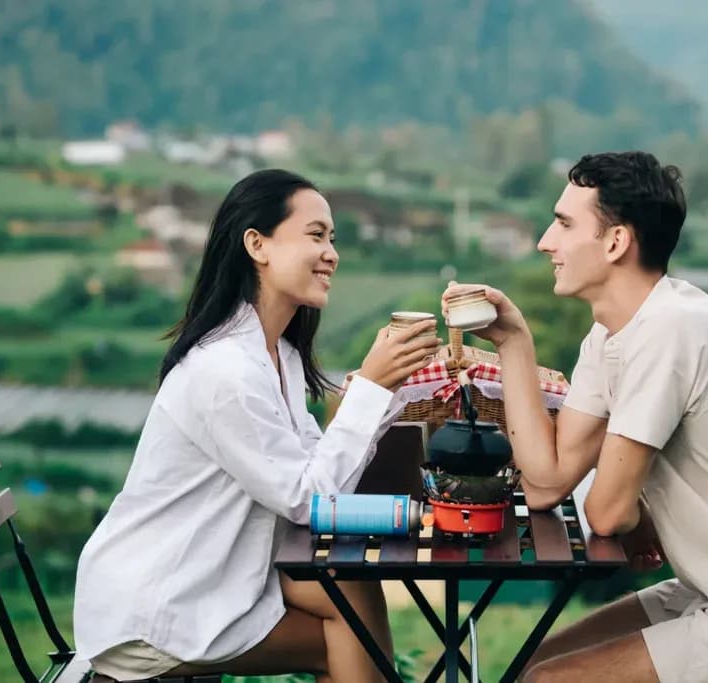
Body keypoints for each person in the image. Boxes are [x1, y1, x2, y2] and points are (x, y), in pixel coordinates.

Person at [442, 152, 708, 683]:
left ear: (616, 242)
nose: (545, 242)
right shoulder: (611, 333)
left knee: (547, 682)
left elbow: (606, 512)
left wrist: (632, 507)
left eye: (564, 223)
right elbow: (547, 483)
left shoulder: (673, 329)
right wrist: (513, 342)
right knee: (533, 664)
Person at [74, 169, 439, 682]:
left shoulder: (278, 356)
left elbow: (320, 482)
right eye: (316, 235)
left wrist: (376, 396)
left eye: (332, 238)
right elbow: (307, 498)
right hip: (157, 607)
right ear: (257, 244)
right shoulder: (226, 372)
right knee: (348, 634)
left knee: (353, 588)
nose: (332, 253)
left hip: (217, 577)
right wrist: (370, 393)